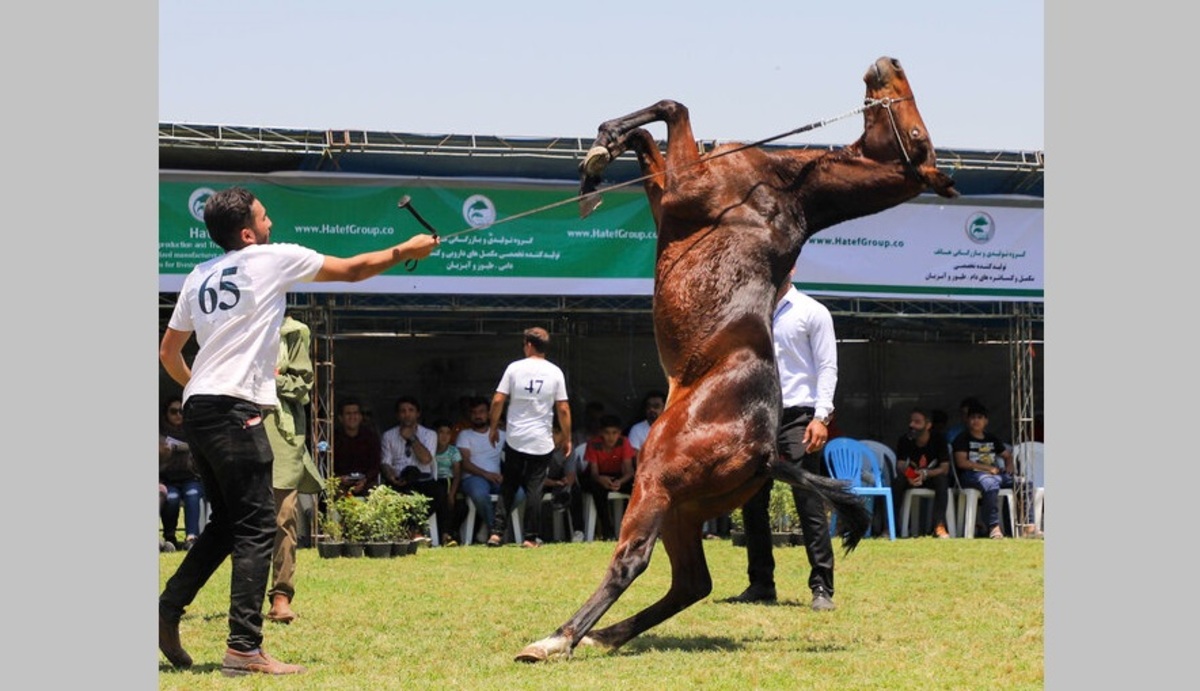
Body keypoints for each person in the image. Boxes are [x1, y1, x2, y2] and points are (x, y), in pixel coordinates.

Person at [157, 185, 438, 675]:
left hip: (199, 406)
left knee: (227, 524)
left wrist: (202, 386)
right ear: (248, 232)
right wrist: (405, 250)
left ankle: (166, 610)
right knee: (258, 527)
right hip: (233, 408)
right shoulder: (270, 258)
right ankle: (243, 649)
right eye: (265, 218)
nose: (271, 224)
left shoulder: (198, 274)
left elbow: (168, 353)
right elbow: (352, 270)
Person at [732, 276, 839, 611]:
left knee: (808, 501)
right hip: (757, 415)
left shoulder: (812, 311)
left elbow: (827, 366)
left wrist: (821, 416)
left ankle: (822, 587)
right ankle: (761, 583)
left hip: (798, 416)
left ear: (791, 266)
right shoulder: (749, 311)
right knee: (751, 500)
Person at [487, 327, 572, 548]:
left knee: (509, 485)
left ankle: (496, 533)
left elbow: (498, 400)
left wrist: (493, 426)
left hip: (515, 437)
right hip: (541, 440)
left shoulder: (514, 368)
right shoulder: (555, 372)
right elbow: (563, 408)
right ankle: (529, 537)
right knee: (535, 488)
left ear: (529, 345)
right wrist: (567, 436)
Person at [264, 315, 323, 624]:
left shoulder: (294, 331)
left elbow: (304, 387)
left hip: (282, 433)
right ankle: (242, 597)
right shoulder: (238, 323)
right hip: (239, 427)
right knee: (235, 519)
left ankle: (281, 596)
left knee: (284, 515)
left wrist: (267, 378)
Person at [952, 401, 1031, 539]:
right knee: (990, 484)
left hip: (994, 474)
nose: (976, 421)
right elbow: (961, 463)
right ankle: (994, 527)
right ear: (967, 420)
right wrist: (987, 468)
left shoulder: (991, 438)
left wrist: (1009, 469)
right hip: (970, 475)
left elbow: (1007, 455)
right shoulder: (962, 438)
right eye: (972, 418)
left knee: (1024, 484)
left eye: (979, 417)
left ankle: (1029, 525)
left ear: (986, 421)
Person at [380, 396, 450, 544]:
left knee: (439, 492)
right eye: (403, 411)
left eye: (411, 410)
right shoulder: (388, 436)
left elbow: (426, 459)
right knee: (391, 493)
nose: (407, 414)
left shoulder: (429, 434)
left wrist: (411, 438)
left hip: (422, 479)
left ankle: (412, 530)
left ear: (418, 413)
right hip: (400, 479)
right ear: (398, 415)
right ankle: (412, 531)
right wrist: (391, 475)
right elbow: (385, 463)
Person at [456, 396, 518, 541]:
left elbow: (513, 458)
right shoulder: (465, 435)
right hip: (473, 477)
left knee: (519, 493)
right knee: (479, 495)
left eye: (482, 412)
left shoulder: (502, 435)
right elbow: (464, 463)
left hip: (496, 478)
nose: (478, 416)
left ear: (489, 413)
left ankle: (491, 524)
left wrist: (506, 475)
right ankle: (495, 531)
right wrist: (486, 474)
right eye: (474, 412)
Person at [890, 407, 952, 539]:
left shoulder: (939, 440)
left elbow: (944, 468)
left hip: (930, 477)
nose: (912, 425)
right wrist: (911, 475)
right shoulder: (905, 440)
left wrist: (925, 474)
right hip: (910, 476)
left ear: (928, 425)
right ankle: (891, 527)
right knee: (897, 482)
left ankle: (939, 526)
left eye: (917, 422)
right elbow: (900, 465)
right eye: (911, 421)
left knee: (942, 480)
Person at [159, 396, 204, 551]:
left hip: (191, 477)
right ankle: (169, 536)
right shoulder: (160, 432)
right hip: (168, 479)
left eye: (182, 411)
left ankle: (191, 537)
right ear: (166, 414)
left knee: (192, 494)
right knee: (171, 498)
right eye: (174, 411)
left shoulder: (193, 430)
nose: (178, 415)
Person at [582, 414, 636, 541]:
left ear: (619, 433)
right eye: (607, 433)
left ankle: (633, 530)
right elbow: (594, 473)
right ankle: (608, 532)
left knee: (637, 487)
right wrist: (601, 479)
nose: (610, 437)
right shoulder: (594, 444)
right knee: (597, 490)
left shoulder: (624, 442)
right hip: (598, 478)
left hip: (619, 477)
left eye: (614, 433)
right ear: (601, 433)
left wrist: (620, 482)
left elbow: (629, 471)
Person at [543, 420, 585, 542]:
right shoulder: (539, 449)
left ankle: (578, 531)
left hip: (560, 481)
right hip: (542, 482)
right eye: (549, 432)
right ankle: (536, 533)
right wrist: (553, 483)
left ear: (563, 434)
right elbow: (536, 478)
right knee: (535, 493)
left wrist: (567, 482)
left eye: (556, 432)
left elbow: (571, 474)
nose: (552, 436)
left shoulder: (567, 448)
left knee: (575, 490)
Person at [333, 397, 382, 498]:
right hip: (341, 483)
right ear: (340, 418)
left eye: (355, 413)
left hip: (366, 482)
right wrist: (339, 479)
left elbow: (376, 465)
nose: (352, 417)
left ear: (360, 417)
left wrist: (365, 480)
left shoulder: (370, 437)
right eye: (348, 414)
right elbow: (326, 465)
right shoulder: (333, 438)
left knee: (376, 493)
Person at [430, 418, 463, 546]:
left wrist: (452, 494)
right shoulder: (430, 449)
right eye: (441, 432)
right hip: (432, 480)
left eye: (448, 433)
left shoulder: (453, 451)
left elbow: (457, 474)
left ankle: (447, 535)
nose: (444, 436)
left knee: (452, 504)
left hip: (448, 481)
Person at [626, 390, 666, 459]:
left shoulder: (675, 428)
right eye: (649, 406)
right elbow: (636, 459)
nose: (651, 409)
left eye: (656, 406)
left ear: (665, 408)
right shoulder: (637, 429)